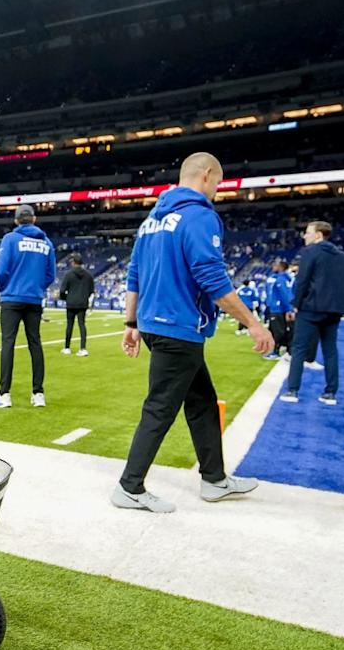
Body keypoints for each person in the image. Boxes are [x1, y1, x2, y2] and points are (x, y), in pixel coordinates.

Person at [114, 152, 274, 513]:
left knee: (201, 401)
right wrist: (253, 323)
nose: (217, 190)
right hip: (178, 327)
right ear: (206, 175)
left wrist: (131, 323)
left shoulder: (151, 221)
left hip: (158, 325)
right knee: (160, 408)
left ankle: (214, 479)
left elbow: (134, 275)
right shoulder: (200, 217)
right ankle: (129, 486)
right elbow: (211, 277)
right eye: (217, 182)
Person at [0, 204, 56, 408]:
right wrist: (36, 288)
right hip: (34, 299)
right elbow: (50, 275)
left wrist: (5, 288)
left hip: (12, 298)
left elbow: (1, 270)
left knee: (8, 343)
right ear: (34, 219)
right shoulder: (47, 243)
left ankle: (4, 393)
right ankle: (38, 393)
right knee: (35, 343)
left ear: (16, 220)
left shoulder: (10, 239)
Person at [280, 221, 344, 405]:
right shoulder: (343, 257)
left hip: (311, 308)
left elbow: (302, 281)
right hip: (334, 310)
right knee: (330, 351)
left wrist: (296, 304)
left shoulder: (310, 252)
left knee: (299, 349)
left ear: (318, 235)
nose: (305, 236)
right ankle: (330, 393)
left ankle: (292, 390)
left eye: (308, 232)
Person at [59, 253, 94, 355]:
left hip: (71, 303)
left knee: (69, 325)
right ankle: (83, 348)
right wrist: (84, 297)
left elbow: (62, 290)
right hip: (82, 303)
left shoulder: (68, 274)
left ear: (73, 263)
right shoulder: (88, 275)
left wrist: (66, 298)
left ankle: (67, 348)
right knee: (82, 325)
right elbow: (91, 290)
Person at [265, 260, 294, 359]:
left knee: (278, 331)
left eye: (276, 265)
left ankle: (276, 351)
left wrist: (289, 309)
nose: (273, 266)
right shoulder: (277, 278)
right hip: (275, 308)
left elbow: (285, 295)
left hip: (278, 309)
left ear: (281, 267)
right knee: (276, 330)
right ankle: (284, 350)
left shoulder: (281, 280)